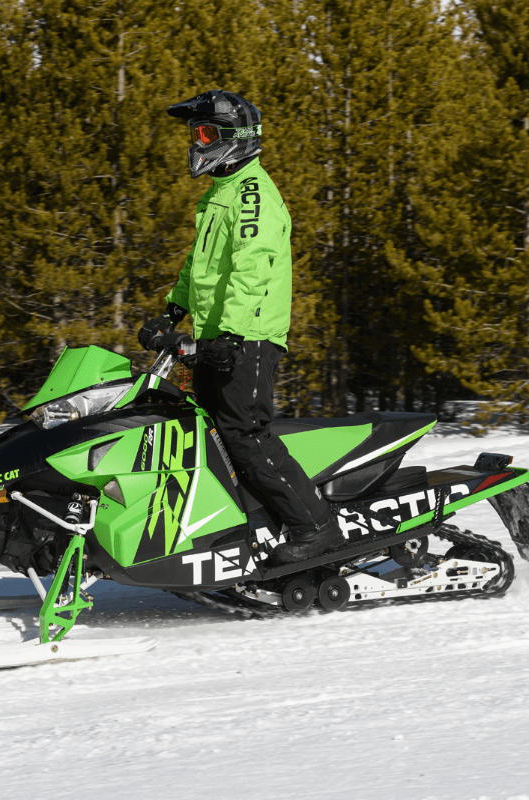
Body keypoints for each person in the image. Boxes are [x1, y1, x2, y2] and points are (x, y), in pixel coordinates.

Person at [138, 89, 344, 564]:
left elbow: (252, 270)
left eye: (205, 133)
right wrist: (172, 311)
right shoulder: (219, 195)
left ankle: (314, 528)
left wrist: (229, 336)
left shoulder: (252, 195)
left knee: (244, 432)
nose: (197, 142)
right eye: (196, 134)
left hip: (247, 339)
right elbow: (201, 266)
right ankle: (243, 522)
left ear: (234, 138)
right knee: (205, 435)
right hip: (219, 340)